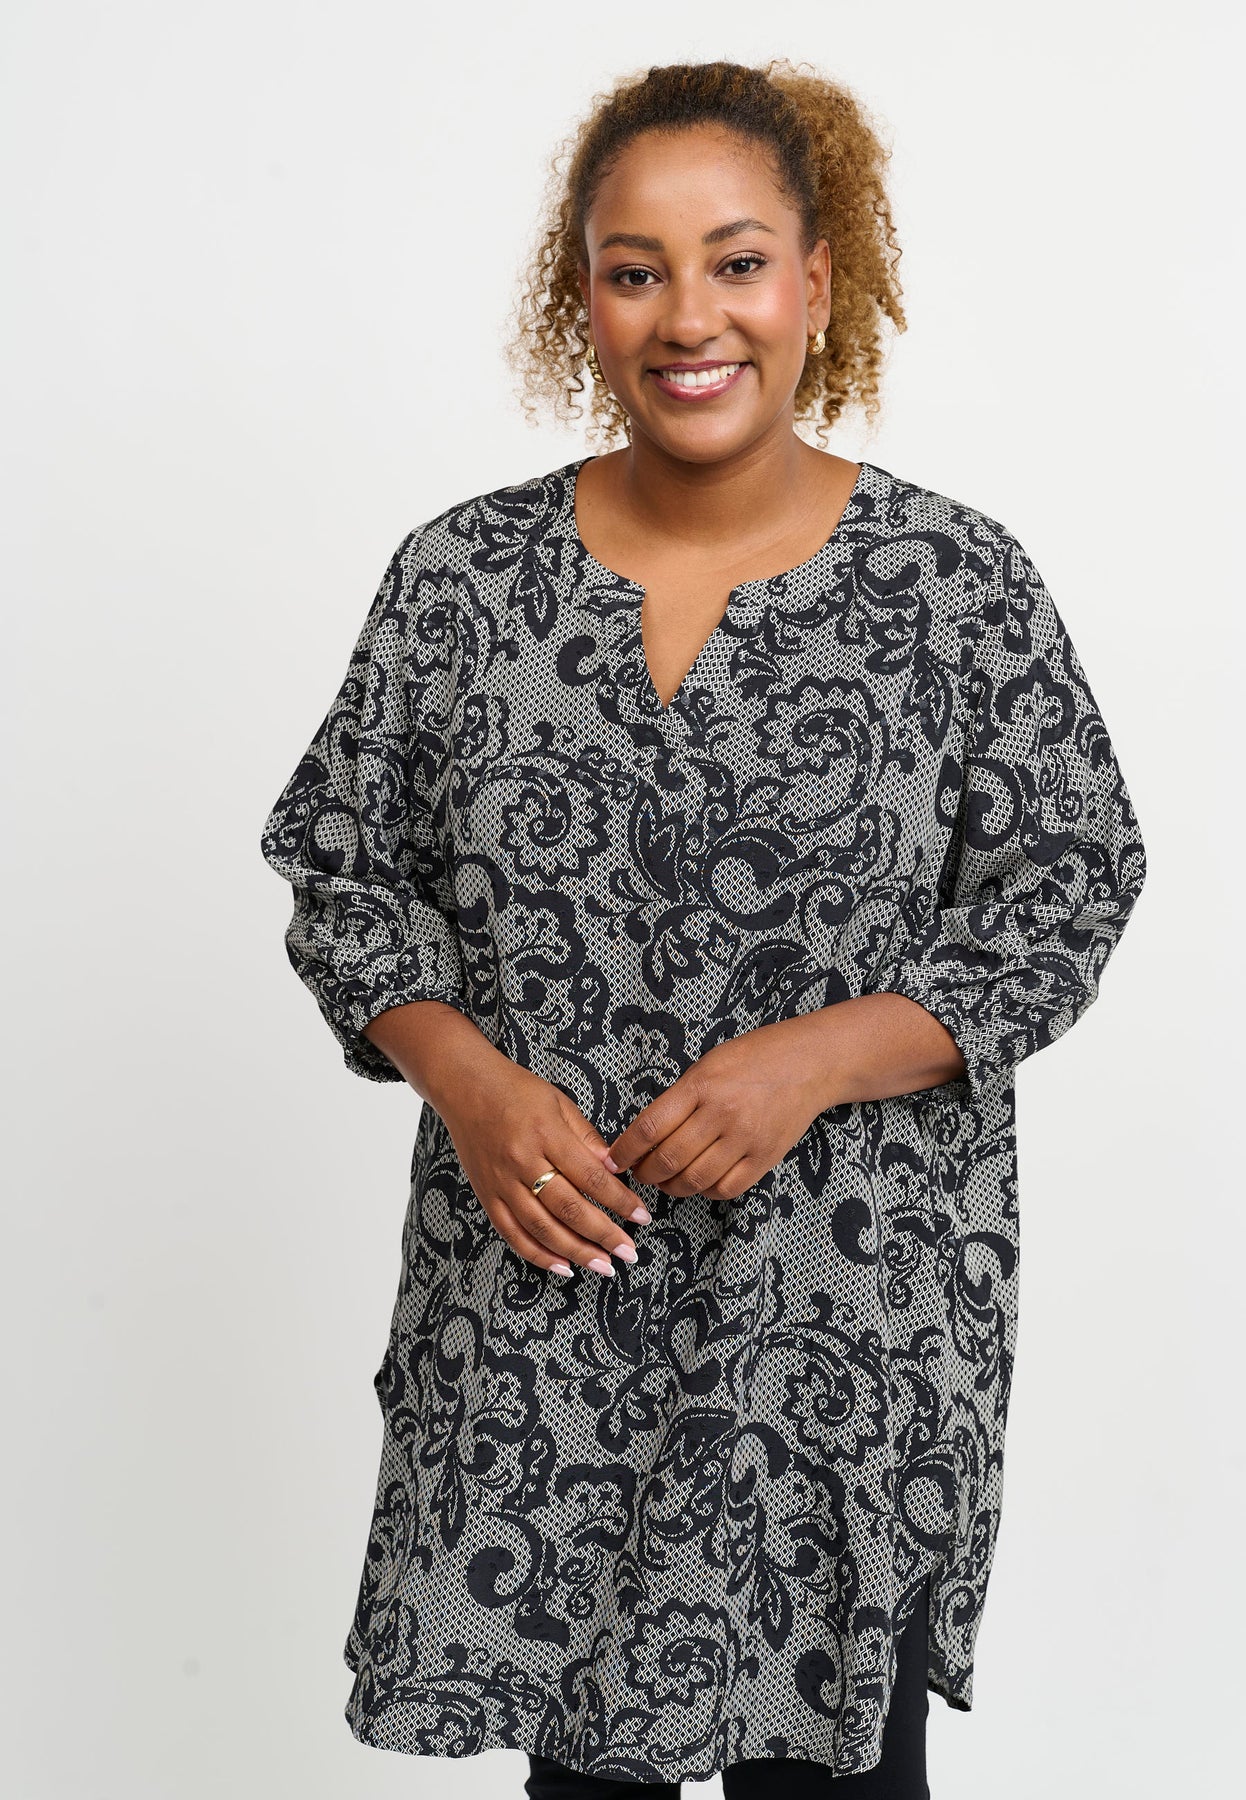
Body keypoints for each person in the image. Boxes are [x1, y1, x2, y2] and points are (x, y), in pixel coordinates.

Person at [258, 58, 1147, 1798]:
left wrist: (814, 1062)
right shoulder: (461, 582)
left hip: (841, 1317)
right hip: (544, 1300)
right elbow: (344, 870)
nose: (688, 317)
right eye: (634, 268)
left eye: (735, 262)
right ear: (579, 296)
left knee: (837, 1774)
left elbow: (1067, 887)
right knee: (582, 1779)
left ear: (816, 278)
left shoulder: (954, 587)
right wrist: (470, 1089)